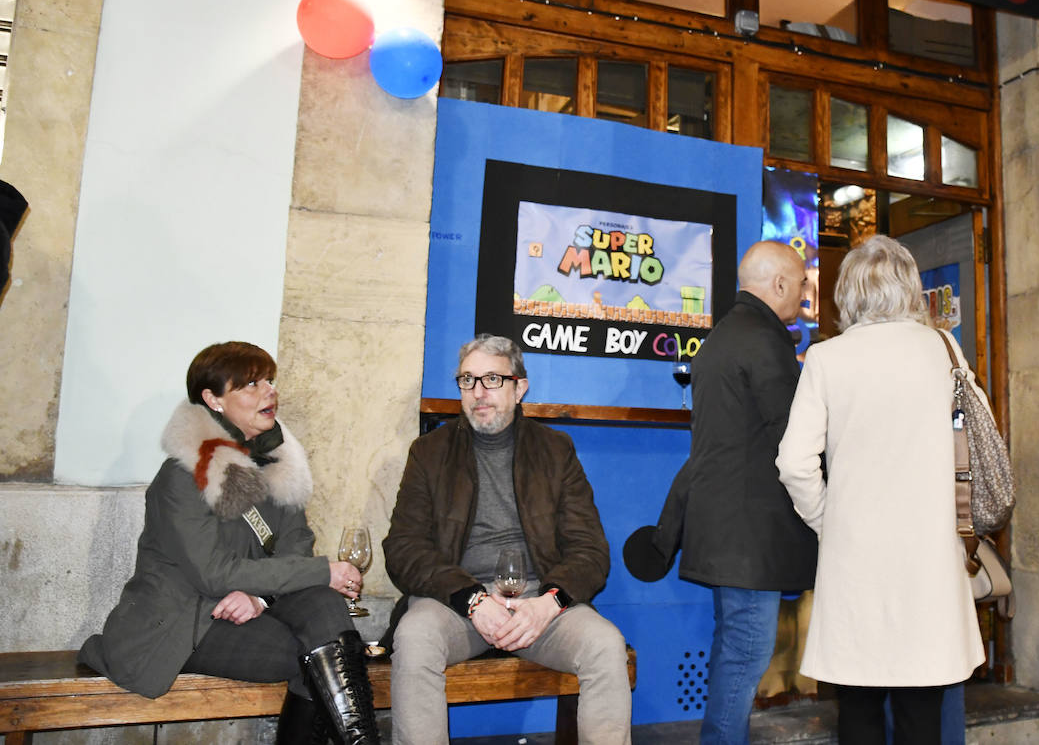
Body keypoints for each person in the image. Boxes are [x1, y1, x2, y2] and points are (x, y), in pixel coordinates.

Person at [78, 341, 379, 745]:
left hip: (251, 609)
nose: (268, 391)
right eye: (251, 384)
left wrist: (261, 599)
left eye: (269, 380)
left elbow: (295, 550)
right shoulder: (183, 475)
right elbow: (213, 573)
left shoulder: (279, 468)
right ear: (212, 399)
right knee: (320, 653)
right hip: (187, 620)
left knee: (325, 615)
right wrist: (323, 571)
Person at [776, 235, 984, 743]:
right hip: (931, 557)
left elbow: (794, 463)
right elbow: (979, 438)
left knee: (859, 710)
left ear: (847, 292)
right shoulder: (944, 348)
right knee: (922, 713)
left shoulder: (827, 358)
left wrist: (829, 521)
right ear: (910, 288)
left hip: (856, 562)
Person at [382, 333, 631, 745]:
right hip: (457, 603)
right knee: (414, 638)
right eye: (467, 380)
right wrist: (473, 600)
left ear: (520, 387)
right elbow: (404, 548)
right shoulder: (428, 452)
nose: (479, 393)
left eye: (493, 380)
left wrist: (548, 604)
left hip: (538, 602)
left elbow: (590, 549)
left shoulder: (556, 450)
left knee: (606, 645)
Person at [634, 239, 817, 744]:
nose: (805, 294)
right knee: (746, 651)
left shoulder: (724, 334)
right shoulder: (764, 340)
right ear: (779, 283)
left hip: (726, 529)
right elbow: (793, 436)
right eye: (801, 283)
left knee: (734, 647)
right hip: (748, 537)